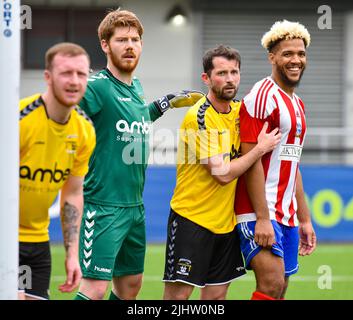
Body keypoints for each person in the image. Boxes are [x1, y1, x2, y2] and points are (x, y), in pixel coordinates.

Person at [74, 9, 203, 300]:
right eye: (121, 40)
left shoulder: (136, 88)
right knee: (94, 288)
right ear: (106, 45)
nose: (129, 45)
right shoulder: (96, 87)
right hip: (103, 206)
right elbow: (65, 114)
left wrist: (163, 105)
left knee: (131, 285)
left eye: (135, 39)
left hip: (134, 208)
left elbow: (134, 118)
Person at [162, 45, 281, 300]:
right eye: (222, 73)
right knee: (178, 297)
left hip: (225, 224)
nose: (229, 79)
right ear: (206, 78)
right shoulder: (198, 118)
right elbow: (223, 174)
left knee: (216, 297)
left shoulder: (241, 111)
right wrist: (259, 149)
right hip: (191, 219)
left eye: (234, 72)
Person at [234, 20, 317, 300]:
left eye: (301, 54)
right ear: (272, 57)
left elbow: (292, 164)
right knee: (270, 285)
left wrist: (304, 219)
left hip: (288, 214)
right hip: (258, 211)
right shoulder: (261, 97)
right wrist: (262, 218)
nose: (296, 60)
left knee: (279, 289)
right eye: (287, 54)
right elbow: (251, 158)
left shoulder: (298, 104)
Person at [19, 42, 96, 300]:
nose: (74, 81)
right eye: (66, 73)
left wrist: (72, 255)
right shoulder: (17, 120)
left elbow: (72, 193)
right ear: (48, 77)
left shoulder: (85, 131)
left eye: (81, 74)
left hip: (37, 242)